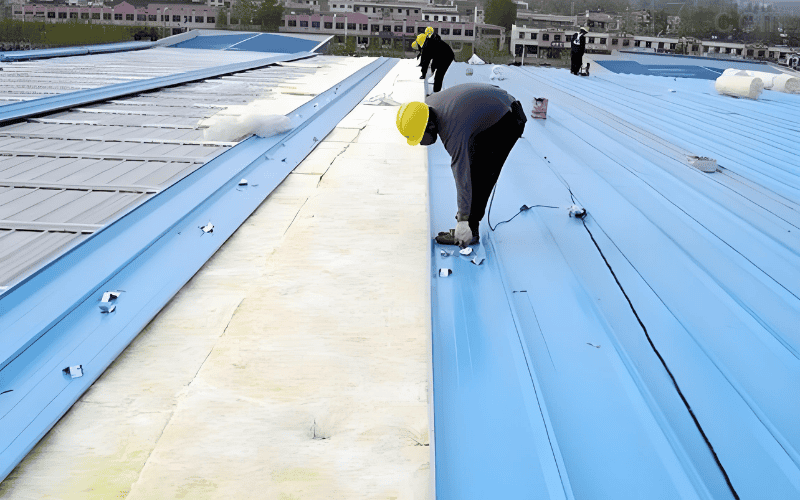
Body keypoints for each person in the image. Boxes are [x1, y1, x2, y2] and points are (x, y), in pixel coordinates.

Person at [395, 83, 528, 246]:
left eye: (420, 138)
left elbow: (462, 176)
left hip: (508, 118)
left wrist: (463, 220)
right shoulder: (429, 104)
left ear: (429, 126)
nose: (422, 143)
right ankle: (468, 226)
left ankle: (469, 231)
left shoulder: (453, 129)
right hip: (497, 103)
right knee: (474, 160)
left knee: (481, 172)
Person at [419, 27, 455, 93]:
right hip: (441, 54)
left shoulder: (427, 46)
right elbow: (426, 60)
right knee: (436, 70)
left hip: (447, 56)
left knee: (439, 75)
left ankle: (436, 93)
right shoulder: (429, 42)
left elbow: (425, 61)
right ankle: (436, 91)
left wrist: (423, 74)